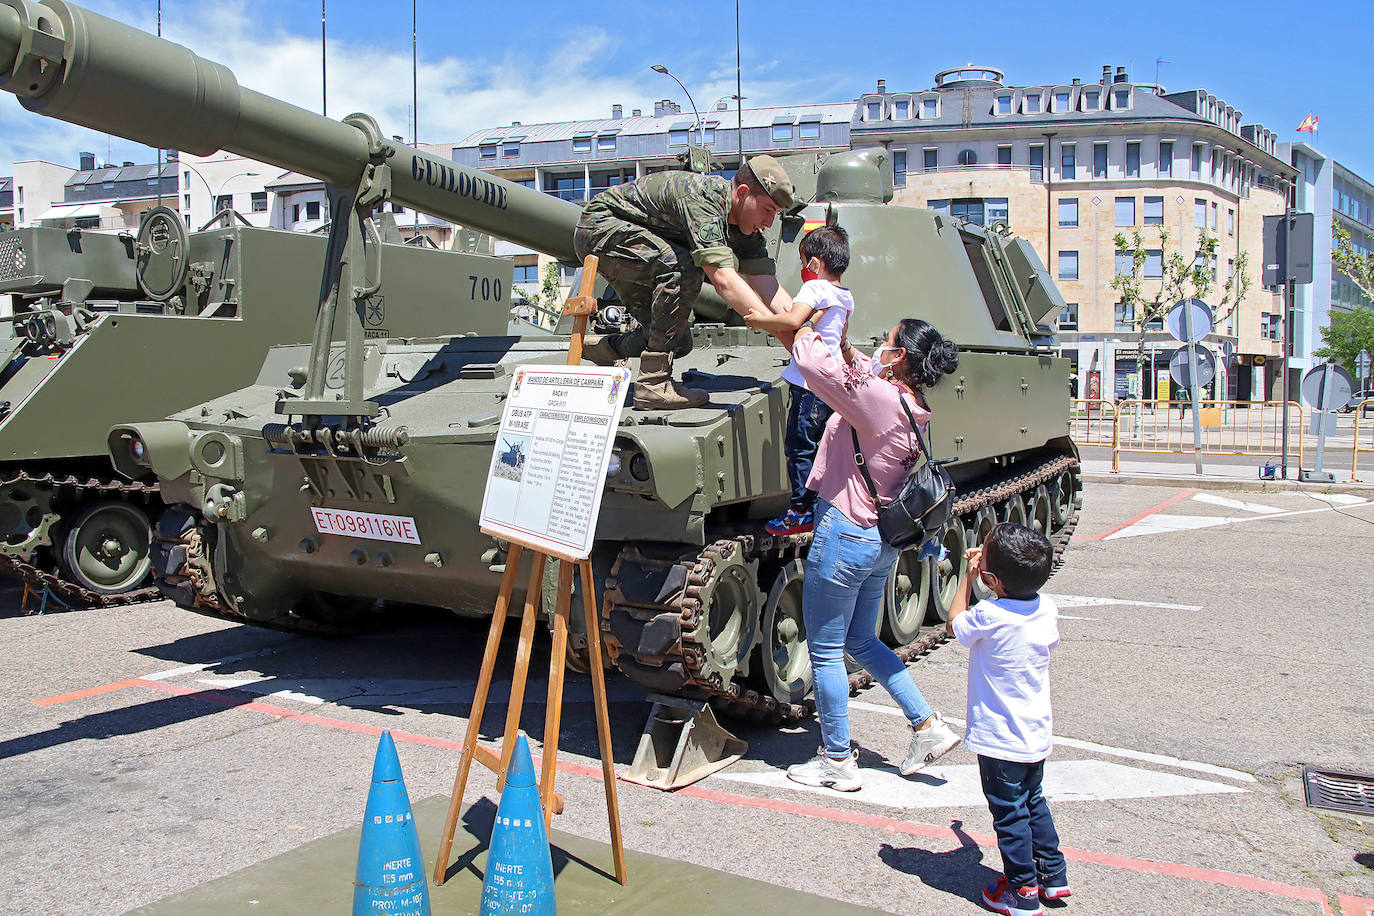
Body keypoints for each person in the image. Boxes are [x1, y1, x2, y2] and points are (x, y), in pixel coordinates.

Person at [781, 317, 962, 792]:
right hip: (880, 543)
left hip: (844, 534)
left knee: (823, 652)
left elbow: (817, 371)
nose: (879, 345)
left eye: (887, 340)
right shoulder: (912, 404)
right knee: (861, 642)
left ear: (899, 356)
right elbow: (862, 376)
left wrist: (803, 329)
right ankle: (926, 725)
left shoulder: (880, 401)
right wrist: (845, 347)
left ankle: (836, 761)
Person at [572, 155, 795, 410]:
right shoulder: (705, 199)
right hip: (600, 228)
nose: (769, 222)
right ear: (743, 193)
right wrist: (780, 330)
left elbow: (767, 284)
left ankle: (607, 349)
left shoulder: (746, 228)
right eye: (767, 210)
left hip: (631, 240)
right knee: (684, 267)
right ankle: (653, 385)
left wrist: (801, 330)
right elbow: (723, 279)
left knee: (676, 339)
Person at [946, 524, 1070, 916]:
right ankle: (1053, 876)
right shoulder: (1045, 607)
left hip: (1000, 739)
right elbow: (1009, 605)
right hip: (1034, 732)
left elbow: (955, 624)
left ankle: (1021, 890)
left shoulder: (987, 614)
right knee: (1034, 802)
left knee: (1010, 814)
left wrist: (967, 579)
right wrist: (991, 581)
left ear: (991, 578)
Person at [745, 225, 854, 535]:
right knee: (822, 447)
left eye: (804, 261)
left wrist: (759, 320)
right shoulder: (845, 296)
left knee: (799, 448)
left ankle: (800, 511)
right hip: (830, 384)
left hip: (808, 384)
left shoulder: (814, 289)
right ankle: (822, 502)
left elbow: (793, 320)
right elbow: (839, 335)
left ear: (815, 264)